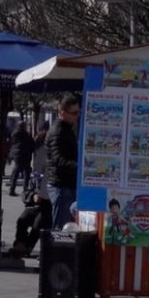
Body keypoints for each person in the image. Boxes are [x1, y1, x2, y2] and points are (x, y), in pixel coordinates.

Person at [47, 95, 82, 228]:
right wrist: (79, 167)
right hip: (61, 185)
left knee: (67, 228)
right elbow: (58, 160)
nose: (77, 116)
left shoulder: (67, 129)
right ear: (63, 112)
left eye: (78, 112)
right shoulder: (58, 131)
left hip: (66, 184)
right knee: (62, 230)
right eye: (74, 113)